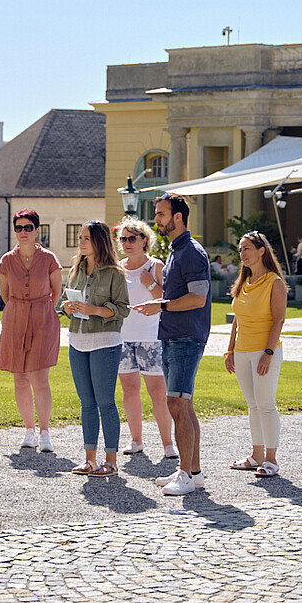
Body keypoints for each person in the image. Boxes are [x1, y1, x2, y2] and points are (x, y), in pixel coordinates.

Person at [133, 192, 212, 496]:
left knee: (177, 404)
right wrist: (161, 304)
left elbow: (198, 298)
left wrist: (161, 306)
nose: (157, 220)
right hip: (174, 336)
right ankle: (193, 472)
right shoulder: (178, 251)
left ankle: (186, 475)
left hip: (185, 337)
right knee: (182, 404)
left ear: (178, 217)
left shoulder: (190, 252)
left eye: (162, 214)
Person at [61, 220, 131, 477]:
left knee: (105, 402)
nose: (80, 242)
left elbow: (122, 309)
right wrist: (66, 307)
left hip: (105, 344)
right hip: (77, 342)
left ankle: (110, 461)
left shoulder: (115, 273)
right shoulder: (76, 270)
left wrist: (95, 310)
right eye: (80, 237)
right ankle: (90, 460)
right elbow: (64, 301)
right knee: (86, 403)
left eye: (85, 238)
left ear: (99, 242)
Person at [0, 209, 63, 453]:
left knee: (39, 377)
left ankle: (45, 432)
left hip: (43, 317)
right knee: (20, 377)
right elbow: (5, 294)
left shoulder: (49, 259)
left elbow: (56, 292)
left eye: (28, 227)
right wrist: (20, 310)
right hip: (15, 317)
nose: (23, 232)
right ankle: (29, 430)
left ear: (37, 230)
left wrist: (41, 310)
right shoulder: (6, 260)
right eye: (18, 228)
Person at [225, 230, 287, 478]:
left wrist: (269, 353)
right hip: (242, 351)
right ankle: (256, 455)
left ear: (262, 251)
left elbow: (279, 320)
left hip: (264, 350)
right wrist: (230, 350)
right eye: (240, 250)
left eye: (247, 249)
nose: (243, 254)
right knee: (252, 405)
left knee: (266, 404)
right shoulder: (243, 281)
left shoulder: (275, 282)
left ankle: (271, 459)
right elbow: (236, 320)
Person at [116, 217, 176, 459]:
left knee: (158, 393)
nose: (127, 243)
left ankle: (168, 444)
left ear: (144, 241)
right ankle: (136, 440)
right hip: (123, 338)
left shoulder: (155, 266)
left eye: (132, 238)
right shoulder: (118, 268)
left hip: (151, 338)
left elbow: (167, 301)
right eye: (123, 239)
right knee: (129, 390)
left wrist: (150, 283)